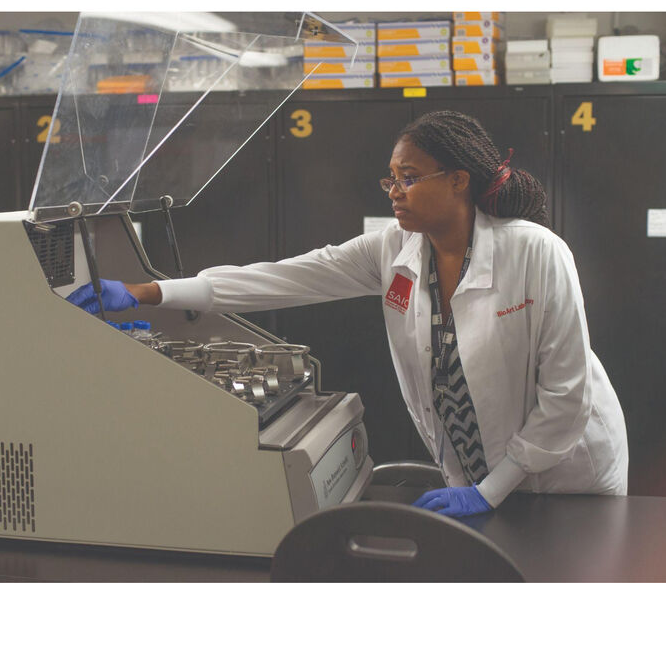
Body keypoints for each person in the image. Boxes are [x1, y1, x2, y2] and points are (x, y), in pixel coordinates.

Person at [69, 109, 627, 516]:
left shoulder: (535, 252)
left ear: (459, 180)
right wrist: (149, 292)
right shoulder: (394, 250)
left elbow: (565, 399)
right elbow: (283, 278)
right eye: (392, 178)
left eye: (410, 177)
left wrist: (491, 488)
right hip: (476, 475)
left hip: (564, 478)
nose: (395, 191)